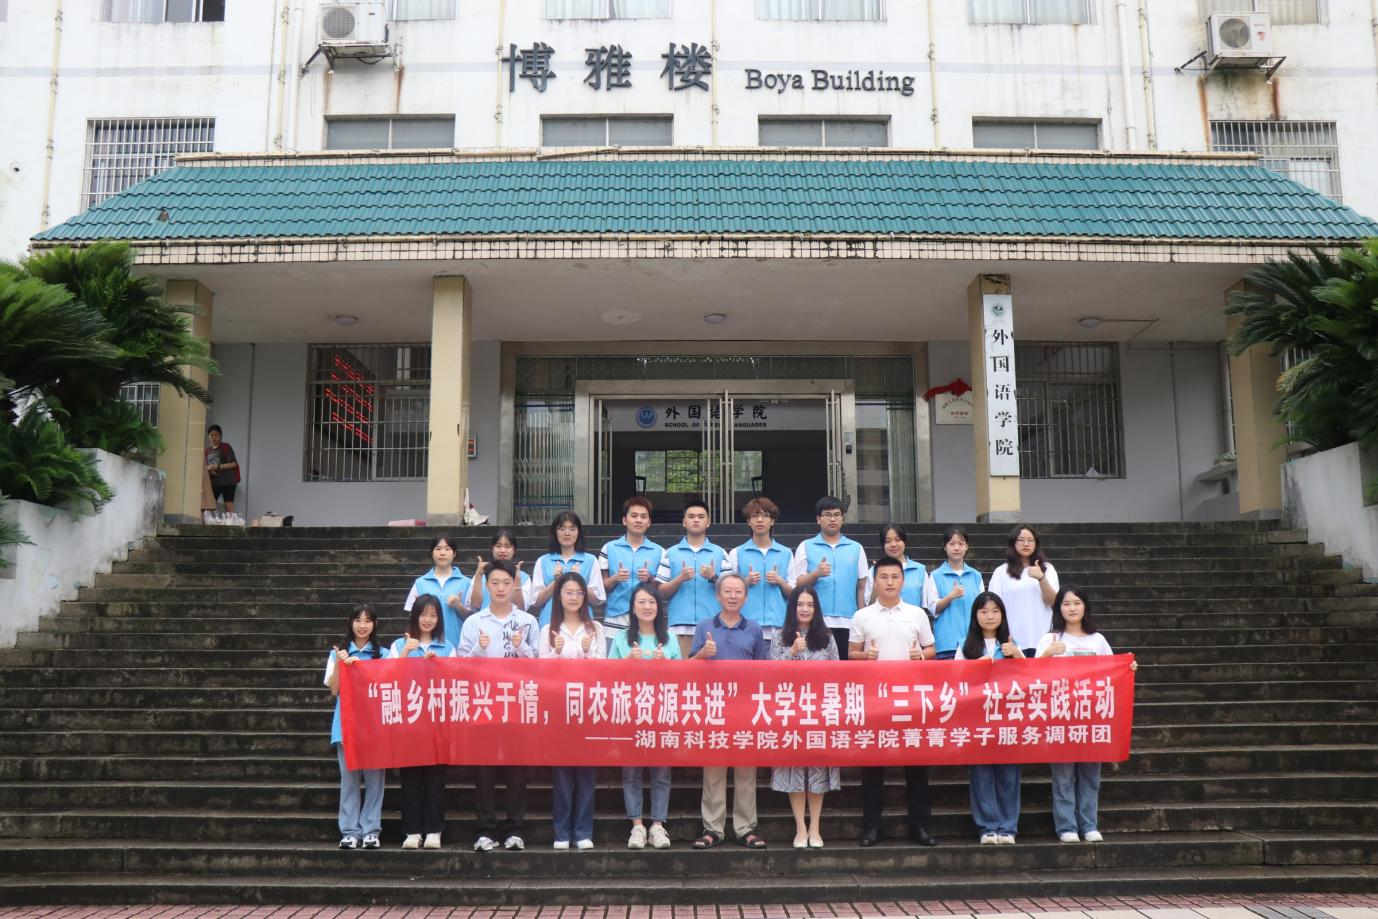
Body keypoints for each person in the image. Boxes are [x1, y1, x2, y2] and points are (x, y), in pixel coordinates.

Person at [849, 555, 938, 848]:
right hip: (875, 700)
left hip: (910, 699)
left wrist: (921, 655)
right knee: (873, 767)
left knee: (916, 766)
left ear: (903, 580)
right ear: (874, 581)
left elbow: (931, 649)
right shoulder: (862, 616)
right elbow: (851, 654)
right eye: (884, 577)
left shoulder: (917, 614)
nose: (889, 582)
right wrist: (866, 656)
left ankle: (921, 825)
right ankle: (872, 827)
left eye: (895, 577)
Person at [1036, 586, 1136, 844]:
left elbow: (1113, 672)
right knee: (1063, 776)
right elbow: (1033, 676)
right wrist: (1047, 654)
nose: (1072, 608)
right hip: (1060, 717)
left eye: (1077, 603)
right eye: (1066, 603)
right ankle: (1066, 826)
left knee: (1091, 775)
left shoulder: (1097, 640)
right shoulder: (1049, 639)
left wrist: (1128, 668)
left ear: (1085, 607)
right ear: (1058, 608)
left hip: (1092, 717)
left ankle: (1089, 824)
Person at [458, 560, 539, 852]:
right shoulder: (474, 622)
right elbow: (461, 665)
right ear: (487, 585)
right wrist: (479, 648)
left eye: (506, 582)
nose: (501, 588)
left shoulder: (528, 622)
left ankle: (515, 829)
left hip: (518, 702)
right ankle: (485, 830)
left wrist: (521, 647)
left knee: (517, 770)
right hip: (484, 702)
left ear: (514, 584)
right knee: (484, 770)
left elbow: (539, 667)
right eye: (495, 582)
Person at [690, 573, 768, 851]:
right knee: (713, 771)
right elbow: (688, 668)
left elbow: (763, 671)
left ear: (746, 597)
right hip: (714, 708)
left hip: (746, 709)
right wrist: (703, 654)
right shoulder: (704, 627)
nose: (733, 596)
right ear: (718, 595)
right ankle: (713, 829)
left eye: (738, 591)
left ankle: (745, 828)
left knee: (746, 772)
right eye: (728, 591)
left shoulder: (754, 629)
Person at [609, 582, 679, 850]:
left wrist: (666, 666)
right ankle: (637, 825)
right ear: (633, 607)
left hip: (662, 714)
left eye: (651, 602)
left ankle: (658, 825)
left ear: (658, 607)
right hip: (630, 714)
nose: (647, 607)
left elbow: (682, 680)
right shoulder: (621, 639)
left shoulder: (670, 638)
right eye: (641, 602)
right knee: (631, 772)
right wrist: (627, 662)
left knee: (661, 772)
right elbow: (606, 678)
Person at [538, 572, 605, 850]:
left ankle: (583, 831)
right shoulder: (548, 630)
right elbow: (541, 671)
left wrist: (588, 653)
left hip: (588, 708)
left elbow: (603, 670)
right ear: (559, 596)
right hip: (559, 710)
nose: (574, 597)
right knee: (562, 775)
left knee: (587, 774)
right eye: (569, 592)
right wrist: (556, 651)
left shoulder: (595, 628)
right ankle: (562, 832)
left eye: (579, 592)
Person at [769, 586, 839, 849]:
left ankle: (815, 827)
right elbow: (769, 674)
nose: (805, 609)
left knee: (818, 769)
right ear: (792, 607)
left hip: (820, 711)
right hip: (790, 711)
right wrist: (791, 653)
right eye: (800, 604)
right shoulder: (779, 637)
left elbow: (838, 675)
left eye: (810, 604)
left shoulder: (827, 638)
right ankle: (800, 827)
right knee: (794, 769)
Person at [956, 591, 1024, 845]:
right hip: (978, 719)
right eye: (984, 611)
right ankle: (987, 827)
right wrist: (974, 667)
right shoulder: (965, 645)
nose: (990, 616)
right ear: (975, 615)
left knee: (1009, 774)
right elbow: (956, 680)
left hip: (1008, 717)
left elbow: (1030, 678)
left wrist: (1017, 655)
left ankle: (1008, 827)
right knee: (982, 774)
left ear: (1003, 615)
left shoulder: (1012, 643)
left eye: (995, 611)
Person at [387, 595, 455, 850]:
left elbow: (456, 681)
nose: (428, 620)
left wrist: (440, 666)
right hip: (408, 722)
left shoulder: (447, 646)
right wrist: (406, 652)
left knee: (436, 780)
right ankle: (412, 831)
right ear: (415, 616)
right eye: (423, 614)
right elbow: (387, 678)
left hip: (437, 723)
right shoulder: (399, 645)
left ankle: (434, 830)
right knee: (411, 780)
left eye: (433, 615)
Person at [324, 603, 388, 850]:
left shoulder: (383, 654)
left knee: (375, 781)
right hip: (346, 726)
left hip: (375, 726)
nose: (362, 626)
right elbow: (335, 690)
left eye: (368, 621)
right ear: (350, 623)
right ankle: (349, 831)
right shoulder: (338, 654)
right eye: (358, 620)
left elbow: (388, 685)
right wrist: (342, 665)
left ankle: (371, 830)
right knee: (349, 780)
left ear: (375, 624)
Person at [791, 496, 868, 657]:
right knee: (817, 667)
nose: (832, 519)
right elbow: (798, 584)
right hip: (816, 620)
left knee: (845, 668)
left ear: (842, 518)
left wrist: (862, 618)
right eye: (827, 515)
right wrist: (816, 574)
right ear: (818, 519)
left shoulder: (856, 548)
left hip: (849, 620)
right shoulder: (806, 546)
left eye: (837, 514)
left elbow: (861, 587)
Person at [657, 500, 727, 658]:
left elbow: (731, 591)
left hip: (713, 627)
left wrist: (714, 577)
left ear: (708, 522)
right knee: (681, 672)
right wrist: (679, 579)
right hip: (679, 628)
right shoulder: (670, 553)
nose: (696, 520)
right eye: (691, 516)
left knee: (713, 672)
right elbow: (659, 593)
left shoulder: (720, 553)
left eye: (701, 517)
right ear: (684, 522)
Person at [724, 497, 794, 640]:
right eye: (755, 516)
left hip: (778, 626)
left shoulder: (786, 553)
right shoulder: (736, 553)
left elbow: (794, 594)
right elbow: (726, 590)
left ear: (772, 521)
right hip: (743, 626)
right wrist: (746, 581)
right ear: (749, 521)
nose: (760, 520)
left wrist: (780, 581)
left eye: (765, 515)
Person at [599, 496, 664, 645]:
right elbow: (601, 587)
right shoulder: (609, 548)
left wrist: (650, 579)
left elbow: (662, 590)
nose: (638, 520)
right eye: (634, 516)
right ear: (624, 520)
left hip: (647, 619)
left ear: (649, 522)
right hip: (616, 617)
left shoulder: (660, 551)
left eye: (643, 516)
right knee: (613, 659)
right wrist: (615, 578)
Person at [988, 525, 1059, 657]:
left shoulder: (1047, 569)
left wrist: (1041, 578)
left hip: (1042, 640)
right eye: (1021, 540)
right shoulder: (1001, 572)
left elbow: (1055, 601)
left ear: (1036, 543)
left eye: (1030, 540)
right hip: (1012, 641)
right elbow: (994, 605)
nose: (1026, 544)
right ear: (1013, 543)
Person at [527, 512, 605, 627]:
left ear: (578, 532)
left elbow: (597, 600)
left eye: (572, 529)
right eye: (562, 529)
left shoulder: (591, 560)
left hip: (582, 627)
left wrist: (579, 582)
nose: (567, 533)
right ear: (555, 532)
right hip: (550, 624)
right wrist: (556, 581)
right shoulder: (543, 561)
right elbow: (536, 602)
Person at [923, 526, 986, 660]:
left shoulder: (976, 576)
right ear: (945, 547)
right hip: (948, 644)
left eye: (961, 544)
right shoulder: (936, 576)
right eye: (952, 544)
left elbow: (983, 608)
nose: (956, 548)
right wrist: (951, 596)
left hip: (973, 643)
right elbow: (933, 608)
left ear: (967, 546)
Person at [405, 533, 472, 647]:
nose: (442, 553)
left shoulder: (466, 583)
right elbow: (413, 617)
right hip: (426, 647)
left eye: (447, 549)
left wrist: (458, 606)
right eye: (438, 549)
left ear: (454, 553)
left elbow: (472, 618)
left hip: (456, 645)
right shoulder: (420, 583)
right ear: (432, 553)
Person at [863, 523, 925, 608]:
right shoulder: (874, 571)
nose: (893, 545)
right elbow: (870, 605)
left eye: (898, 540)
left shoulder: (919, 570)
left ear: (904, 541)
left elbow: (927, 604)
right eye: (888, 541)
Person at [467, 528, 530, 612]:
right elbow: (475, 605)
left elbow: (521, 608)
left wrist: (517, 581)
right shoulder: (481, 575)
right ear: (492, 548)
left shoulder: (524, 577)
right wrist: (478, 575)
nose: (502, 550)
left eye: (508, 546)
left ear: (514, 550)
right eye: (498, 546)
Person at [204, 424, 240, 514]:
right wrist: (210, 471)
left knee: (228, 505)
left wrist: (217, 466)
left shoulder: (226, 447)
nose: (214, 437)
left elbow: (233, 464)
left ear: (220, 436)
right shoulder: (207, 451)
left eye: (216, 435)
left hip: (228, 482)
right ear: (208, 436)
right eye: (211, 435)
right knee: (210, 506)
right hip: (214, 483)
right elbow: (205, 467)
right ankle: (209, 522)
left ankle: (232, 522)